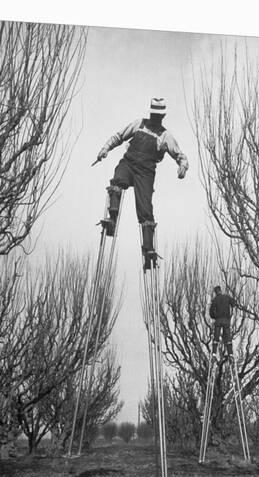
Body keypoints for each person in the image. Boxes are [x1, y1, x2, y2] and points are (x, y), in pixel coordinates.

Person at [95, 98, 189, 264]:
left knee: (145, 209)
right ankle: (112, 218)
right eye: (154, 114)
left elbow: (179, 154)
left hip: (145, 173)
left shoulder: (165, 136)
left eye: (158, 116)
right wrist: (105, 148)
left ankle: (148, 247)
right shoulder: (139, 124)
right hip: (129, 163)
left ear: (163, 116)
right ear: (151, 113)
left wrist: (183, 166)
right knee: (118, 179)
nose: (156, 118)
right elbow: (119, 136)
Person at [209, 286, 236, 361]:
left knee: (216, 337)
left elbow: (211, 313)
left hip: (218, 320)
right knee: (227, 337)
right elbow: (234, 303)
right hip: (226, 320)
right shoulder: (226, 297)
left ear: (215, 292)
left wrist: (215, 316)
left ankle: (214, 354)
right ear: (221, 290)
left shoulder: (214, 300)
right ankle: (230, 354)